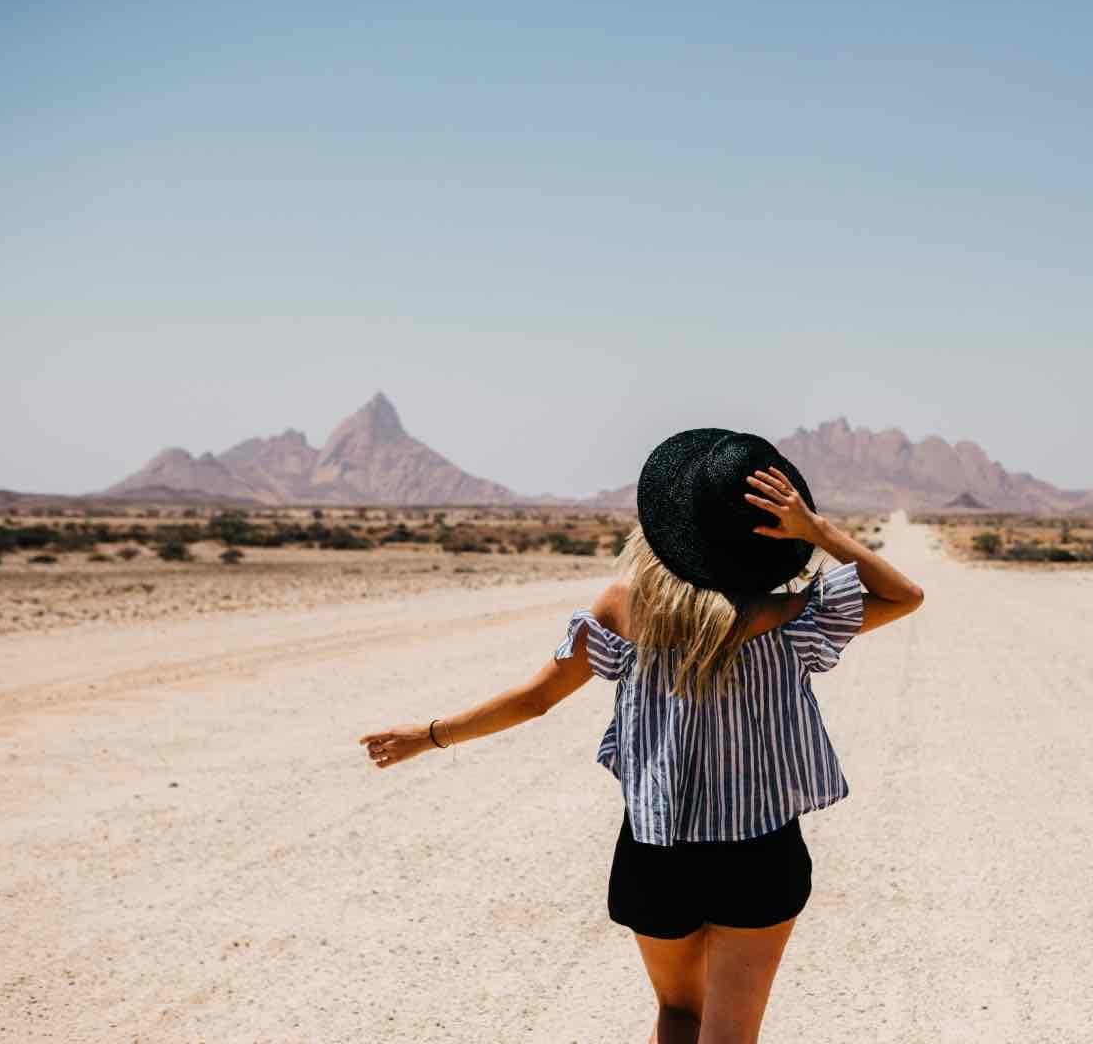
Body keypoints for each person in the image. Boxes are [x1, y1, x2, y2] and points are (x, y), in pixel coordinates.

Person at [358, 428, 925, 1042]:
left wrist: (430, 734)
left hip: (657, 851)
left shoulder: (627, 608)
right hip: (761, 854)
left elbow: (534, 699)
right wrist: (819, 532)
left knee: (678, 1015)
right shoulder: (793, 619)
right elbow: (906, 595)